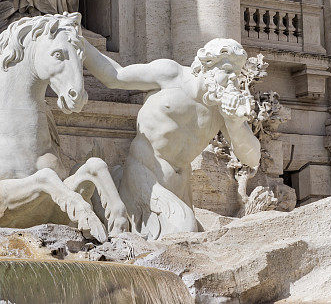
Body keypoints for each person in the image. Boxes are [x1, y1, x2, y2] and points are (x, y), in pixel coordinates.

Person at [82, 38, 262, 239]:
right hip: (145, 173)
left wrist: (236, 124)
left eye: (237, 74)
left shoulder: (222, 110)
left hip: (181, 186)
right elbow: (114, 76)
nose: (233, 80)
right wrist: (79, 42)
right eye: (227, 71)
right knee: (184, 230)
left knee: (190, 236)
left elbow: (252, 158)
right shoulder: (171, 74)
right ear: (206, 65)